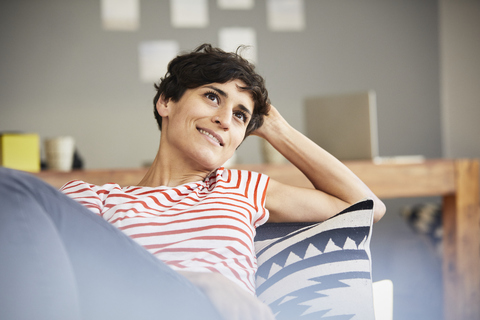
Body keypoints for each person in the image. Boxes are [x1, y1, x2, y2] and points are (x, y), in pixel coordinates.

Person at [0, 44, 385, 320]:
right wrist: (200, 281)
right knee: (14, 190)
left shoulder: (242, 187)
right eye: (212, 97)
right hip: (129, 307)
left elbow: (367, 208)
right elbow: (69, 274)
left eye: (240, 116)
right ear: (166, 102)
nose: (224, 118)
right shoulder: (95, 196)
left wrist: (277, 129)